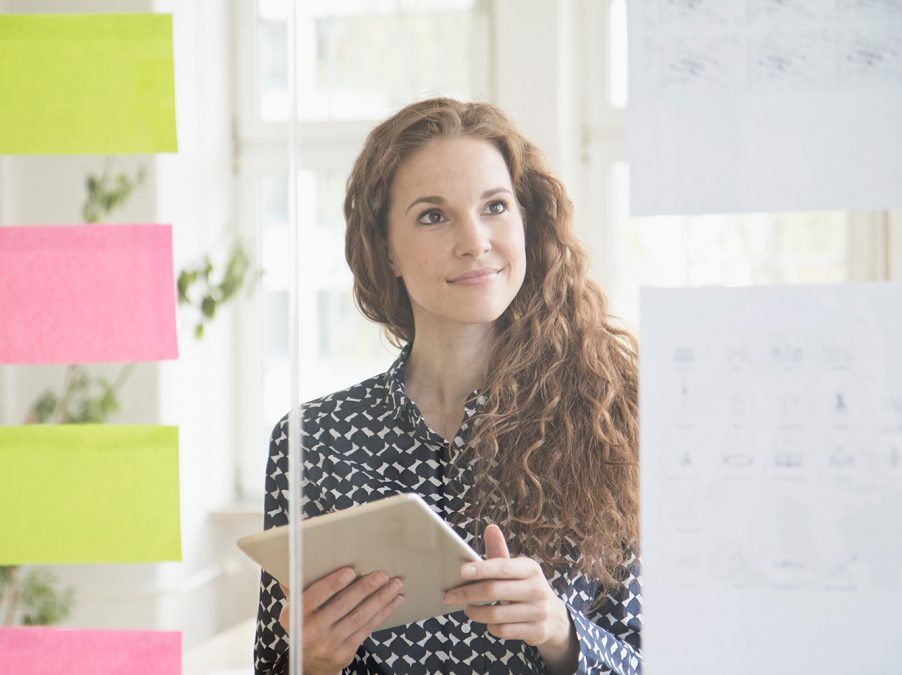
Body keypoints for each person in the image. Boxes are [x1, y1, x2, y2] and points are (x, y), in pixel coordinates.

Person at [254, 97, 641, 675]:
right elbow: (274, 666)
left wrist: (562, 633)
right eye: (434, 215)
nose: (475, 240)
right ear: (386, 249)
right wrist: (313, 664)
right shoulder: (315, 441)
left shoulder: (616, 417)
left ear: (526, 224)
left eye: (495, 206)